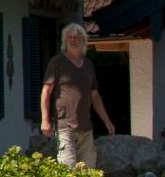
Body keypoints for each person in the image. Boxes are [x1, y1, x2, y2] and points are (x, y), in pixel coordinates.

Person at [39, 22, 115, 169]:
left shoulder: (88, 65)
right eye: (70, 37)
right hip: (64, 126)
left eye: (76, 37)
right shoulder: (57, 62)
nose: (73, 40)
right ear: (65, 41)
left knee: (89, 171)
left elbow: (94, 96)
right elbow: (46, 92)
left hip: (86, 127)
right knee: (68, 169)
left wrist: (107, 121)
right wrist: (45, 120)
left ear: (83, 40)